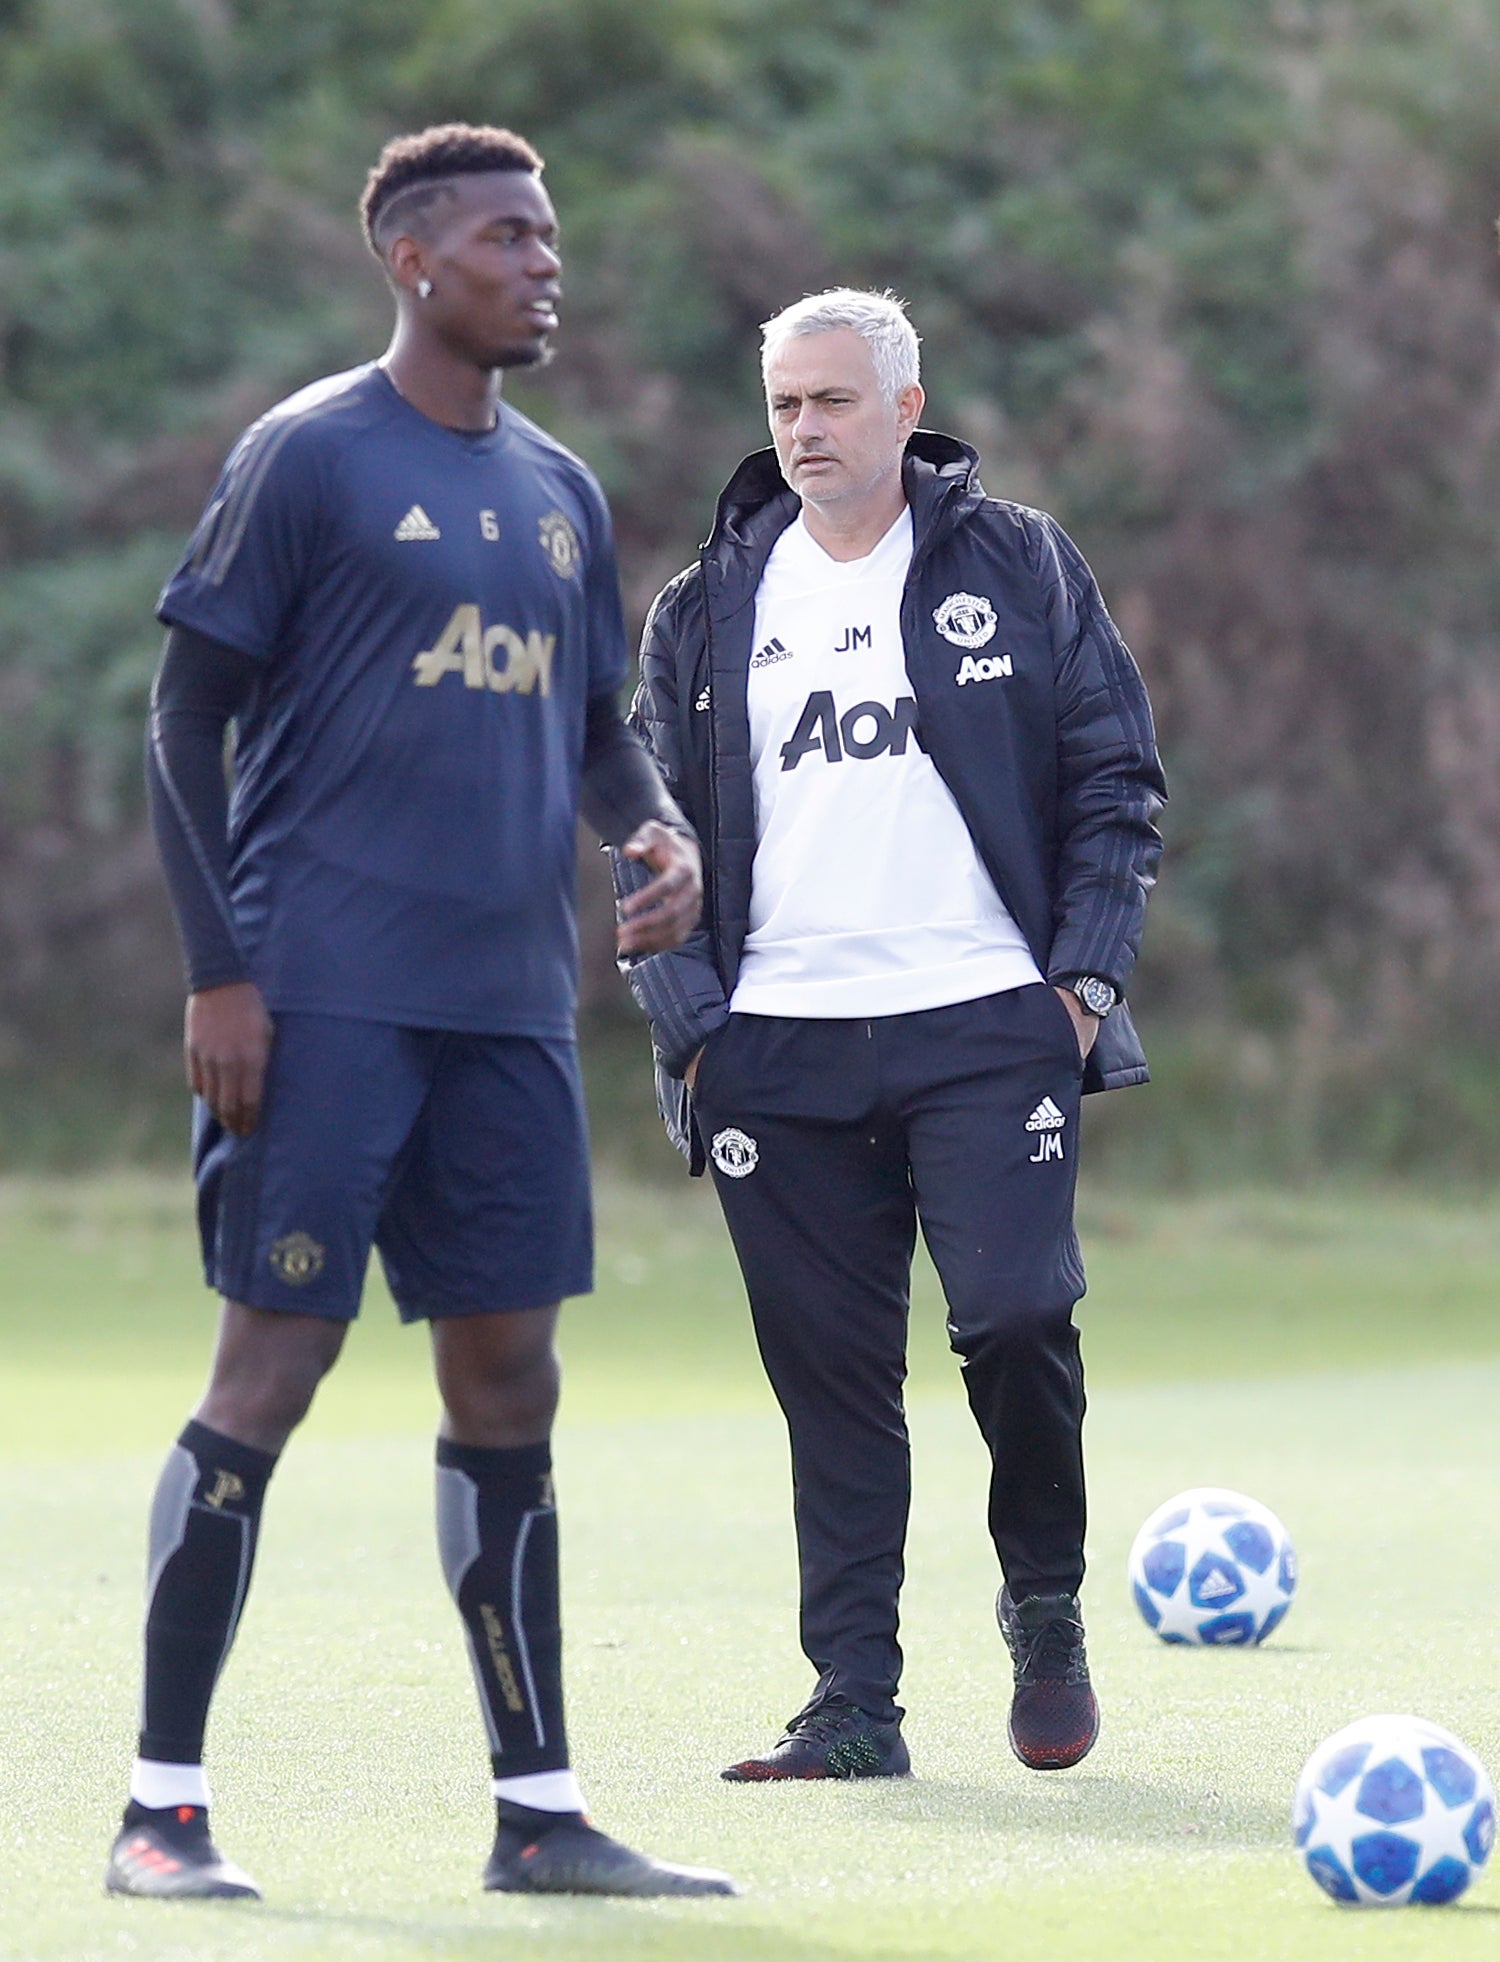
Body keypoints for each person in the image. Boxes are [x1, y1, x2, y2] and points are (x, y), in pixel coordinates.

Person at [105, 123, 736, 1903]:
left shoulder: (559, 490)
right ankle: (161, 1809)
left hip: (509, 1012)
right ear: (413, 259)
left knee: (511, 1380)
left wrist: (654, 826)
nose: (546, 263)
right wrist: (219, 967)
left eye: (553, 235)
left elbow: (600, 722)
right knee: (272, 1372)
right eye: (510, 237)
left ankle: (538, 1813)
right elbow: (182, 722)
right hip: (320, 997)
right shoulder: (306, 457)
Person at [616, 289, 1164, 1782]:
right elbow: (643, 839)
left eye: (834, 401)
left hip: (989, 1021)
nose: (802, 430)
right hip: (776, 1049)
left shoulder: (1018, 561)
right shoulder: (706, 607)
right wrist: (696, 1036)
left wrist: (1082, 989)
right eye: (785, 404)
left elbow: (1119, 782)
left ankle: (1043, 1600)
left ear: (906, 408)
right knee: (833, 1377)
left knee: (1013, 1316)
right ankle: (853, 1701)